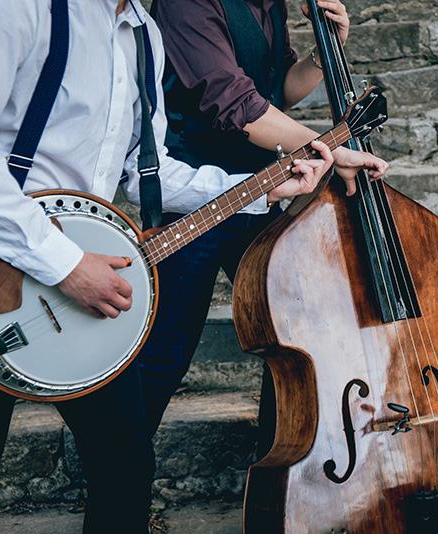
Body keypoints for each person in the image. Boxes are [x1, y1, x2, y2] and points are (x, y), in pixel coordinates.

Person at [0, 0, 386, 532]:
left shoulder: (143, 35)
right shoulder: (16, 6)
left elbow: (149, 175)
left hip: (86, 290)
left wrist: (259, 190)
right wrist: (66, 264)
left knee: (126, 468)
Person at [139, 0, 365, 438]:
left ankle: (283, 465)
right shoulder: (186, 4)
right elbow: (237, 104)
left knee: (296, 337)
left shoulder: (269, 4)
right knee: (164, 356)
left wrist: (323, 52)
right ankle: (119, 475)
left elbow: (277, 89)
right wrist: (330, 148)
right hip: (192, 203)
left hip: (262, 194)